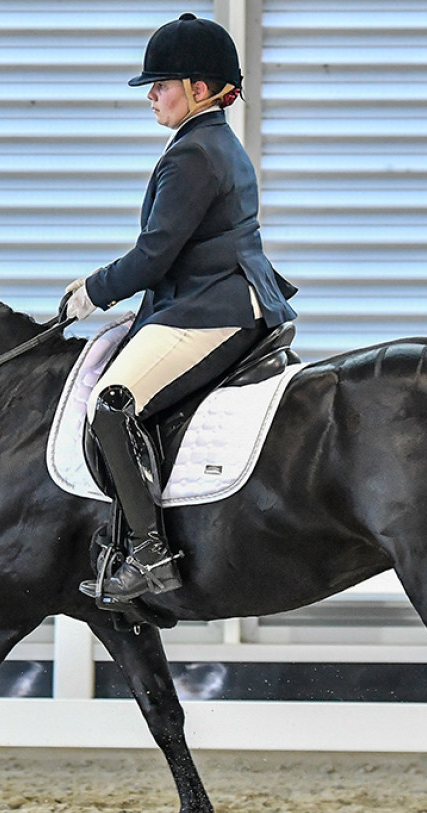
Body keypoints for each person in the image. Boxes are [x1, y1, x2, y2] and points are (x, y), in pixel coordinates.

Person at [61, 12, 298, 604]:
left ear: (199, 88)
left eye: (161, 85)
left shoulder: (194, 154)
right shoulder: (212, 143)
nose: (151, 97)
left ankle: (149, 552)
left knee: (112, 405)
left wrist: (92, 290)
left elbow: (154, 255)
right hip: (215, 298)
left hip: (208, 309)